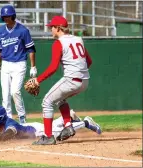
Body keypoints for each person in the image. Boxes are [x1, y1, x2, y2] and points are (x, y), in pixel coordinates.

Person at [26, 15, 93, 145]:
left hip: (71, 80)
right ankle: (68, 125)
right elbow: (89, 61)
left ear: (58, 28)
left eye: (52, 27)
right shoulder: (78, 39)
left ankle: (48, 136)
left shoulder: (59, 43)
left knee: (47, 101)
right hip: (84, 81)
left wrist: (37, 80)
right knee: (59, 99)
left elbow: (53, 68)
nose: (51, 30)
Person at [0, 5, 37, 123]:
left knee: (15, 92)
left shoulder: (23, 30)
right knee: (5, 95)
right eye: (4, 16)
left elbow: (31, 49)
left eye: (8, 16)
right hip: (6, 64)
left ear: (13, 16)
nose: (6, 18)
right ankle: (7, 119)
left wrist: (33, 66)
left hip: (19, 64)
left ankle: (22, 117)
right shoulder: (1, 31)